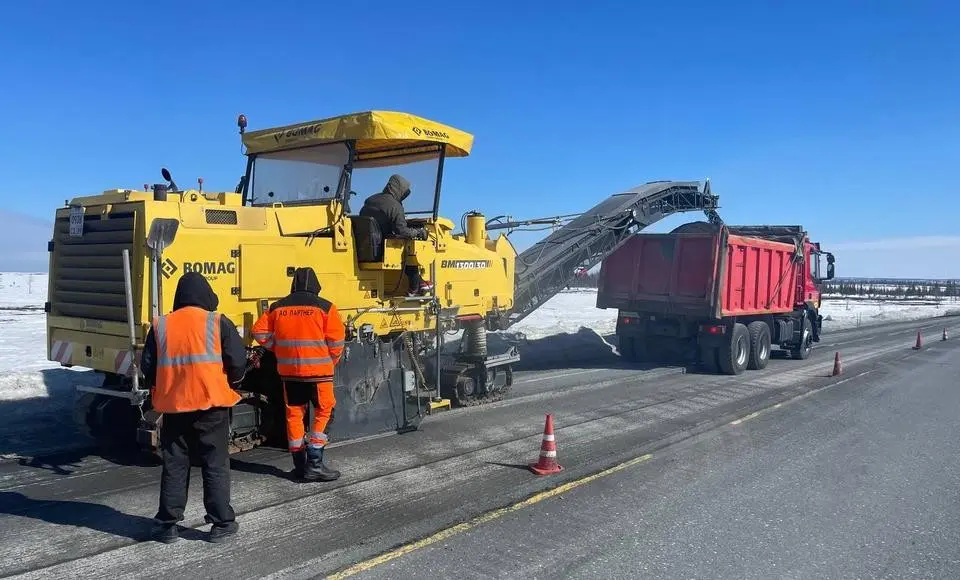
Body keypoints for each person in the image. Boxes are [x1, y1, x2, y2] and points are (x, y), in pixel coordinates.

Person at [139, 272, 247, 544]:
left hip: (174, 407)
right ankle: (221, 523)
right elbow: (237, 360)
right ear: (206, 295)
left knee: (175, 464)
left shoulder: (161, 326)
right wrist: (234, 381)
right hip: (212, 406)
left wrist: (161, 389)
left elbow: (148, 368)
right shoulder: (217, 322)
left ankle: (167, 525)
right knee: (215, 463)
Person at [251, 267, 346, 482]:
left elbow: (258, 331)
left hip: (290, 372)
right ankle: (315, 463)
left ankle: (299, 466)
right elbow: (337, 341)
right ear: (316, 286)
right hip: (319, 374)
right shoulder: (325, 307)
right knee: (324, 412)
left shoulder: (278, 307)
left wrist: (278, 348)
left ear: (293, 285)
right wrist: (330, 360)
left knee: (294, 415)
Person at [359, 173, 433, 295]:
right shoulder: (394, 206)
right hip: (380, 250)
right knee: (410, 244)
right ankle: (415, 284)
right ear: (399, 190)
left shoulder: (370, 200)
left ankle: (418, 282)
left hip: (364, 248)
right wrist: (418, 232)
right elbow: (402, 231)